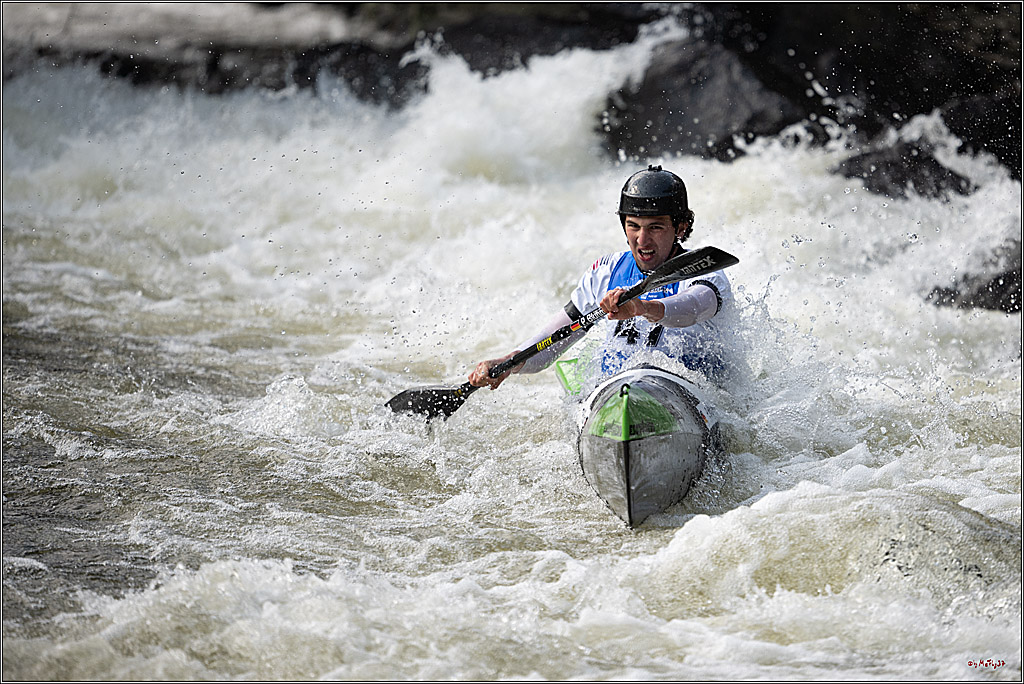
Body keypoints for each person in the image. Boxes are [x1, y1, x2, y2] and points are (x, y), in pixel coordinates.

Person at [469, 165, 733, 392]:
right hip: (619, 393)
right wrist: (510, 362)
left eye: (655, 227)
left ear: (681, 228)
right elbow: (554, 339)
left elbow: (694, 307)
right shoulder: (606, 271)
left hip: (688, 390)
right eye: (633, 226)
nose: (642, 240)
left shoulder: (703, 269)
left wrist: (642, 308)